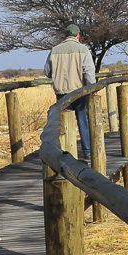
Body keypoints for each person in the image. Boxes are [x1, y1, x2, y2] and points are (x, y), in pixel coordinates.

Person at [44, 23, 96, 159]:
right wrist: (92, 88)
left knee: (60, 123)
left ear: (65, 35)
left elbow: (47, 71)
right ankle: (88, 151)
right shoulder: (83, 50)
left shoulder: (54, 50)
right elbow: (89, 72)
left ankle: (64, 152)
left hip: (61, 92)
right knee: (82, 120)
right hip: (79, 91)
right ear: (78, 35)